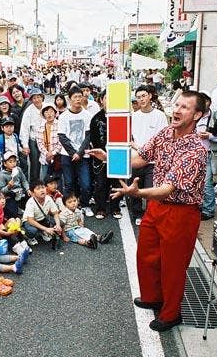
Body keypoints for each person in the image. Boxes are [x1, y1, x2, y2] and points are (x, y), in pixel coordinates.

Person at [89, 90, 207, 332]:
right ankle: (153, 297)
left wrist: (138, 194)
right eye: (177, 105)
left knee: (173, 266)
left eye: (185, 107)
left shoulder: (196, 150)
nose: (176, 110)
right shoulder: (165, 133)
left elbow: (167, 189)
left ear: (197, 115)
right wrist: (108, 157)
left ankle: (171, 313)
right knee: (147, 255)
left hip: (181, 212)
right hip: (156, 207)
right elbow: (141, 158)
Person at [130, 85, 169, 225]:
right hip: (136, 159)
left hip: (153, 162)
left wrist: (144, 151)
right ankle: (137, 214)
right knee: (135, 189)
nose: (141, 99)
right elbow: (129, 138)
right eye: (138, 97)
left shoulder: (160, 115)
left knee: (150, 190)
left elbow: (164, 139)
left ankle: (150, 215)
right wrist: (136, 147)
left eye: (144, 96)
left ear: (150, 96)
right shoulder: (133, 116)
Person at [58, 86, 94, 217]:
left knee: (86, 183)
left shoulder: (87, 115)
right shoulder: (63, 116)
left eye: (80, 96)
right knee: (68, 183)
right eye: (75, 97)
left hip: (83, 155)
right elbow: (62, 136)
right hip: (67, 155)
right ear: (69, 99)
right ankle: (69, 208)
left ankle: (85, 204)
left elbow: (88, 136)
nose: (78, 99)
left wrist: (79, 153)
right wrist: (73, 152)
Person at [195, 92, 217, 220]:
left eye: (206, 100)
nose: (203, 103)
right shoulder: (194, 114)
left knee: (206, 183)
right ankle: (200, 204)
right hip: (194, 154)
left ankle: (208, 210)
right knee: (195, 182)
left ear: (210, 101)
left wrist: (210, 136)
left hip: (209, 153)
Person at [89, 91, 121, 220]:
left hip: (118, 155)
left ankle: (115, 208)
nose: (109, 101)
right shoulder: (96, 118)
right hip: (101, 156)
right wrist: (100, 153)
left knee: (117, 183)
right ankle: (101, 208)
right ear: (101, 100)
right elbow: (93, 138)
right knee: (101, 184)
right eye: (107, 98)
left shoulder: (121, 116)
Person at [22, 180, 63, 247]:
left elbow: (55, 213)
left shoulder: (48, 198)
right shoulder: (30, 202)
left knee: (60, 222)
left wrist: (58, 225)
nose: (42, 190)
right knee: (32, 231)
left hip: (42, 219)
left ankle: (42, 232)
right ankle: (29, 237)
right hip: (29, 222)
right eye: (38, 189)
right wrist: (46, 229)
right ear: (32, 193)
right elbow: (30, 220)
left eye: (43, 187)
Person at [20, 88, 46, 182]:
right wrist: (25, 145)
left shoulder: (47, 107)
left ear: (42, 97)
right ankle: (34, 185)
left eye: (38, 97)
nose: (37, 100)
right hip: (34, 140)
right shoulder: (29, 111)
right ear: (31, 99)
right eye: (34, 98)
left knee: (48, 163)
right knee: (35, 164)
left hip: (47, 139)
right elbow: (25, 128)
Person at [0, 152, 29, 218]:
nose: (13, 164)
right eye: (10, 162)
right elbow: (2, 191)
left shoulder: (18, 169)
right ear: (5, 164)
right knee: (13, 213)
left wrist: (28, 189)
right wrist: (8, 186)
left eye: (14, 161)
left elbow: (24, 180)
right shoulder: (2, 175)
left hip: (21, 193)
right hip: (11, 195)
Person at [36, 103, 62, 181]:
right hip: (45, 157)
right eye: (46, 112)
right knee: (45, 180)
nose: (49, 114)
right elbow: (39, 142)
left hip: (57, 157)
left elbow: (61, 142)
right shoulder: (41, 126)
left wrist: (53, 153)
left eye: (51, 111)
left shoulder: (60, 124)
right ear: (43, 114)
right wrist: (47, 153)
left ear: (55, 112)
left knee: (58, 181)